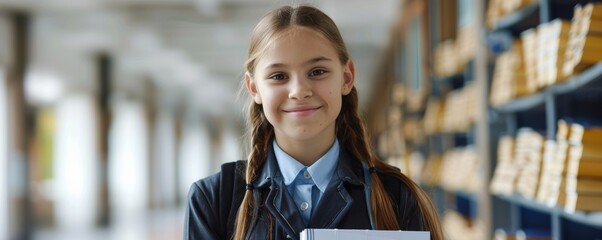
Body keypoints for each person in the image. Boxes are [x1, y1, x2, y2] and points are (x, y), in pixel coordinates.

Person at [185, 5, 443, 240]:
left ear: (346, 77)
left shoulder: (398, 197)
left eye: (317, 72)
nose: (299, 90)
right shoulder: (213, 200)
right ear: (254, 88)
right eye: (278, 76)